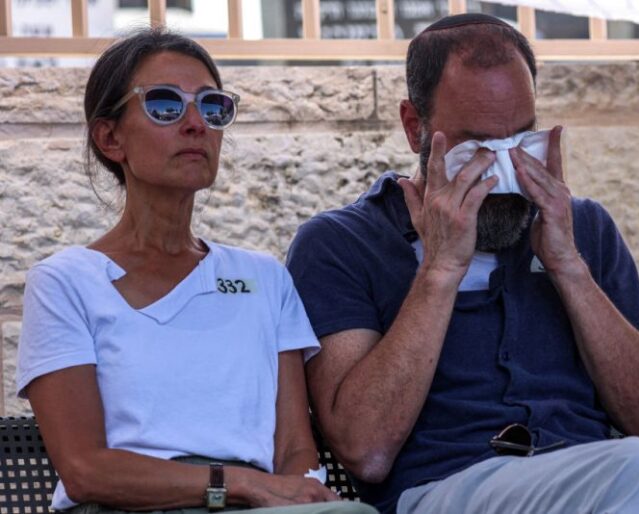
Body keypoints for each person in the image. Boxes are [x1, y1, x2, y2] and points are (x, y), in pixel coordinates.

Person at [286, 13, 639, 514]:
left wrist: (568, 265)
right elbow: (365, 449)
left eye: (522, 140)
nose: (505, 171)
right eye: (480, 148)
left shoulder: (581, 227)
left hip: (592, 481)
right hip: (445, 490)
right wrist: (438, 271)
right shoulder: (342, 243)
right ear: (415, 126)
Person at [15, 28, 376, 514]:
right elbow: (85, 470)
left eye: (212, 107)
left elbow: (295, 450)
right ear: (110, 137)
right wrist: (239, 485)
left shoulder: (264, 279)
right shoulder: (65, 283)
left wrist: (282, 492)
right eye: (164, 105)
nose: (195, 124)